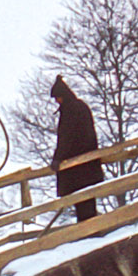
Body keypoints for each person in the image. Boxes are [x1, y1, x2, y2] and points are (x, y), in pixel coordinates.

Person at [50, 76, 104, 223]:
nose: (57, 101)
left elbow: (67, 137)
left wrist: (58, 157)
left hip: (78, 167)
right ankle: (91, 230)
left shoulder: (70, 110)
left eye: (58, 98)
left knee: (83, 204)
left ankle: (90, 233)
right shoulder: (80, 107)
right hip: (87, 164)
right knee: (87, 201)